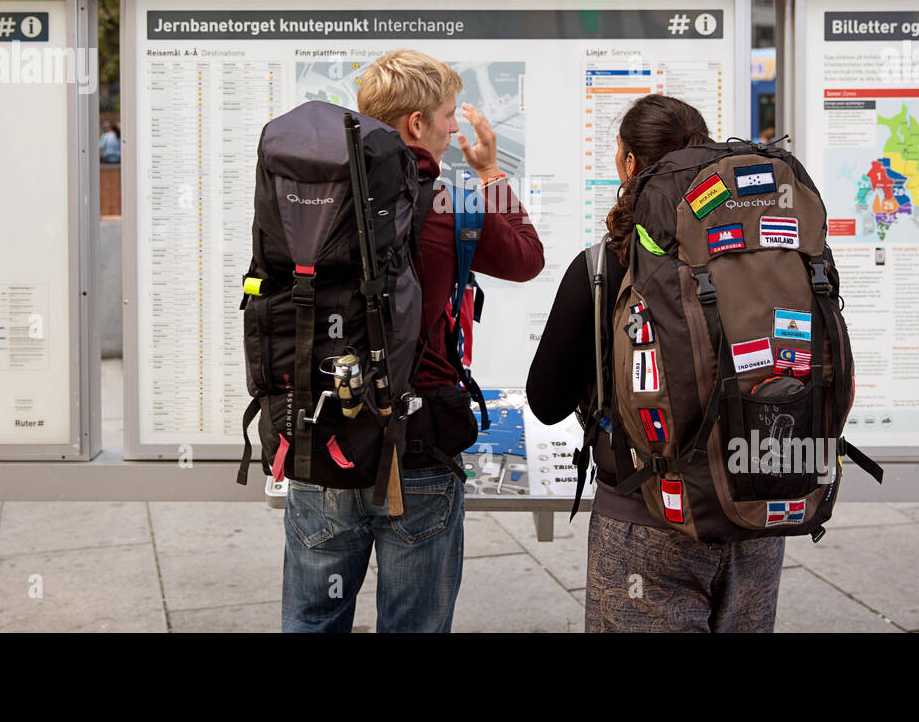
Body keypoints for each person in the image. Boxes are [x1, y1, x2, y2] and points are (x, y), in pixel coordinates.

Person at [281, 48, 544, 633]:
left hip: (322, 443)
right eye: (449, 115)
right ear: (417, 125)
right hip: (417, 450)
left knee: (312, 621)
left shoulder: (309, 203)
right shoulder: (449, 206)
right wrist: (491, 172)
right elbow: (528, 258)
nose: (456, 127)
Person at [526, 94, 785, 632]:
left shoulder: (602, 267)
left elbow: (545, 401)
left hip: (644, 519)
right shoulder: (762, 256)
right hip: (755, 513)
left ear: (627, 163)